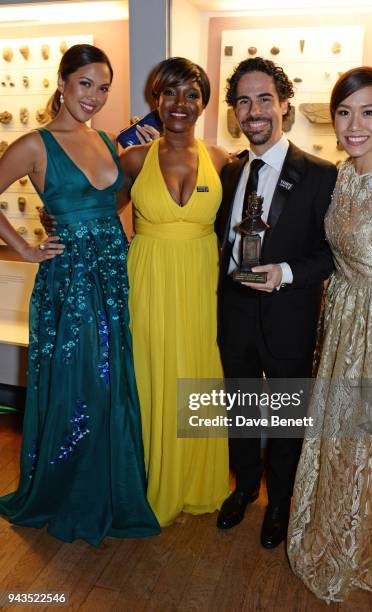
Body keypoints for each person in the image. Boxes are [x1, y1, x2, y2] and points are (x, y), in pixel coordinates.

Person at [0, 44, 160, 545]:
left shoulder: (108, 142)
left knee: (110, 379)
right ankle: (70, 491)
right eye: (86, 83)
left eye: (104, 87)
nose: (94, 96)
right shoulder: (34, 144)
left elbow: (114, 200)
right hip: (68, 282)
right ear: (64, 82)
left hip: (112, 274)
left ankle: (110, 487)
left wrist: (145, 160)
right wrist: (24, 248)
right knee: (80, 381)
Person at [287, 67, 372, 608]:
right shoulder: (344, 175)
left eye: (368, 112)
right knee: (342, 442)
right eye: (344, 112)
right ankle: (337, 542)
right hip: (346, 318)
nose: (354, 124)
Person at [214, 57, 337, 549]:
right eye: (244, 101)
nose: (254, 110)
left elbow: (332, 254)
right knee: (240, 407)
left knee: (287, 419)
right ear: (235, 113)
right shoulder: (228, 171)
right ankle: (243, 488)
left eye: (265, 99)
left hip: (289, 315)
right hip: (234, 313)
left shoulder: (321, 174)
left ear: (285, 105)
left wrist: (285, 273)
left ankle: (280, 502)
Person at [120, 57, 231, 527]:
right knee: (150, 372)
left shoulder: (222, 158)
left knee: (197, 373)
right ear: (156, 101)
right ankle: (147, 480)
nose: (180, 104)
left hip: (200, 283)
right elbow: (99, 211)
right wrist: (51, 223)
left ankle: (194, 480)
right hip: (147, 281)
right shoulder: (132, 159)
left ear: (204, 103)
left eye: (191, 94)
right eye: (170, 94)